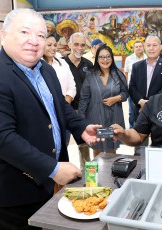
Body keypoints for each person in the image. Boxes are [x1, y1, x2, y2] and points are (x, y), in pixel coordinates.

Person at [0, 9, 101, 230]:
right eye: (25, 32)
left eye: (41, 35)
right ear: (3, 36)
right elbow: (1, 138)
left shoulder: (46, 70)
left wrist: (80, 127)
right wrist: (52, 168)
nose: (34, 41)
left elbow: (59, 105)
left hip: (41, 186)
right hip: (7, 197)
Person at [79, 45, 128, 157]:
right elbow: (84, 99)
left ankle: (111, 174)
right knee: (97, 148)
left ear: (112, 58)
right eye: (101, 57)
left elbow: (126, 94)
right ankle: (97, 174)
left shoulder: (118, 74)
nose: (104, 60)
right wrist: (81, 122)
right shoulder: (90, 75)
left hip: (113, 116)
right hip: (95, 117)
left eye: (107, 57)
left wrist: (116, 98)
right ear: (97, 59)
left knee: (112, 148)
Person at [64, 32, 94, 171]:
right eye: (76, 44)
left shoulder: (88, 64)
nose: (79, 48)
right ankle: (64, 172)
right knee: (63, 143)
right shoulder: (61, 64)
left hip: (84, 111)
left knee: (84, 144)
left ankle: (87, 173)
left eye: (82, 45)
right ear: (69, 44)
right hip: (65, 110)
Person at [43, 35, 77, 145]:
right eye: (49, 45)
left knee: (63, 147)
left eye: (55, 45)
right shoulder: (36, 65)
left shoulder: (62, 63)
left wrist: (63, 106)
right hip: (45, 115)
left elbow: (72, 86)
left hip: (63, 111)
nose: (53, 48)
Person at [129, 35, 162, 123]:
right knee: (139, 135)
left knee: (158, 136)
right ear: (144, 47)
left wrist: (149, 102)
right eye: (148, 45)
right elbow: (132, 87)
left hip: (159, 108)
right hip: (140, 109)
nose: (151, 48)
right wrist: (141, 101)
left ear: (160, 47)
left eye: (154, 45)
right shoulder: (137, 66)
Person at [124, 41, 147, 128]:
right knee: (132, 111)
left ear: (143, 47)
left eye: (140, 46)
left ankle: (143, 128)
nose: (138, 48)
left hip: (145, 89)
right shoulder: (129, 59)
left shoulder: (147, 58)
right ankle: (131, 127)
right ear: (133, 49)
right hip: (132, 89)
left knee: (144, 110)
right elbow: (126, 73)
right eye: (136, 46)